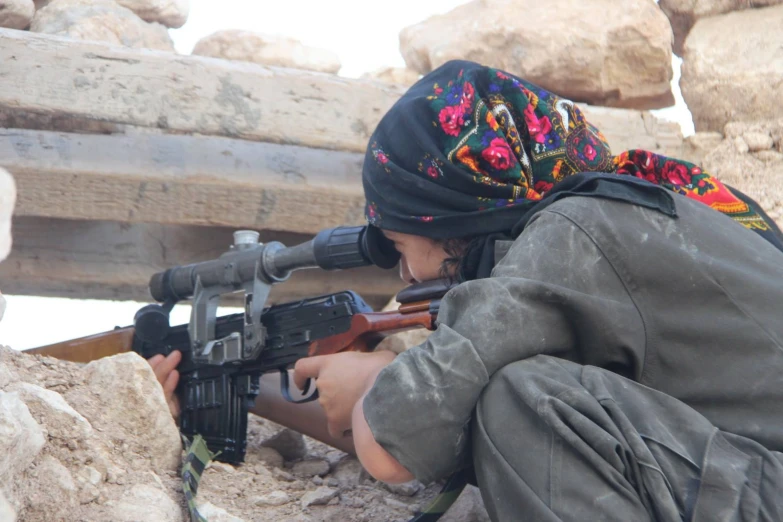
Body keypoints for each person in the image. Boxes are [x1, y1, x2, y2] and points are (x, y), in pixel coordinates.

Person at [151, 60, 783, 521]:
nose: (404, 279)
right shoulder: (622, 217)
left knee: (521, 398)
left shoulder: (572, 235)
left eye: (400, 247)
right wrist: (231, 388)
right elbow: (435, 430)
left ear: (455, 219)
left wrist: (376, 385)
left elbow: (392, 445)